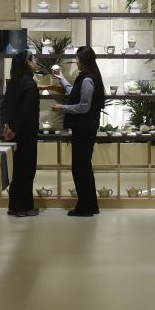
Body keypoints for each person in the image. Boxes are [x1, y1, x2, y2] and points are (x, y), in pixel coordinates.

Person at [51, 47, 104, 216]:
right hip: (86, 128)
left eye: (78, 59)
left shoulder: (87, 79)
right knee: (84, 167)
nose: (76, 62)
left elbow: (84, 107)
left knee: (80, 168)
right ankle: (91, 205)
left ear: (84, 61)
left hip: (84, 129)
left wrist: (62, 108)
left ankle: (85, 208)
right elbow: (74, 93)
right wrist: (62, 78)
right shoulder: (88, 77)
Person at [2, 50, 40, 217]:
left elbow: (4, 106)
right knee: (27, 170)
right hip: (27, 133)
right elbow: (26, 111)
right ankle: (24, 207)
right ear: (27, 63)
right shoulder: (30, 84)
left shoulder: (13, 82)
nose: (36, 62)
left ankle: (14, 206)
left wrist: (8, 127)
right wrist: (15, 129)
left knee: (17, 170)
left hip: (15, 132)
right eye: (33, 59)